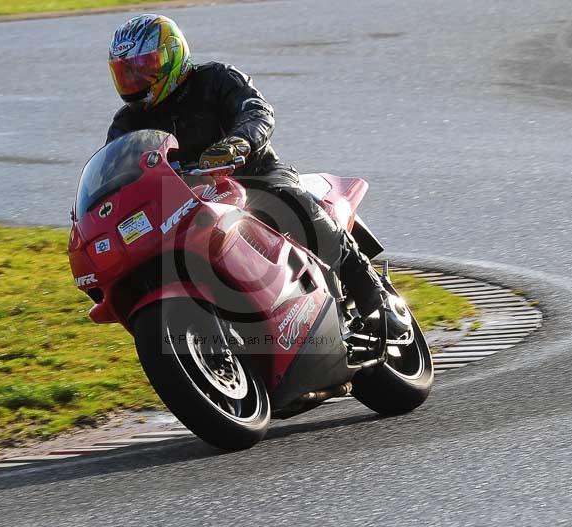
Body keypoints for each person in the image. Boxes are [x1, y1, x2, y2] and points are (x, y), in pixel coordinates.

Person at [105, 14, 386, 318]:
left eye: (145, 69)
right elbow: (115, 173)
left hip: (254, 176)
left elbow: (257, 110)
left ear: (171, 56)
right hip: (187, 207)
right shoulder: (127, 124)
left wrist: (239, 142)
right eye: (127, 73)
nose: (136, 81)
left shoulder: (215, 79)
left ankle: (374, 296)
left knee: (293, 204)